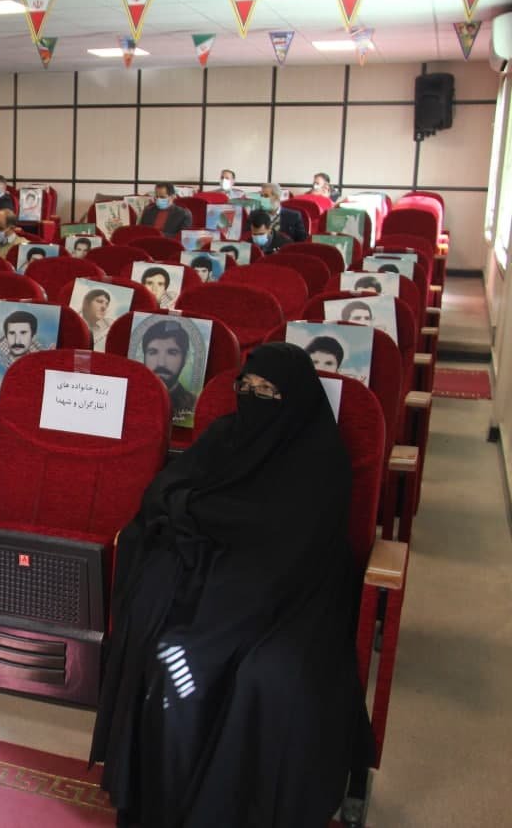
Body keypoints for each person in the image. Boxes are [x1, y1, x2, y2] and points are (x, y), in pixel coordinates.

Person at [91, 342, 373, 828]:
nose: (253, 399)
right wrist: (202, 518)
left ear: (296, 398)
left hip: (287, 593)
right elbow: (166, 489)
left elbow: (294, 539)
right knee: (165, 656)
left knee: (264, 676)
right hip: (210, 576)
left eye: (268, 392)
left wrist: (199, 514)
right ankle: (164, 805)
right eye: (247, 387)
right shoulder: (225, 434)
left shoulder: (321, 458)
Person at [141, 318, 196, 422]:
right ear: (144, 357)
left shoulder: (193, 405)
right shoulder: (130, 397)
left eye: (172, 353)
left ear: (185, 358)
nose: (161, 363)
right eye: (153, 352)